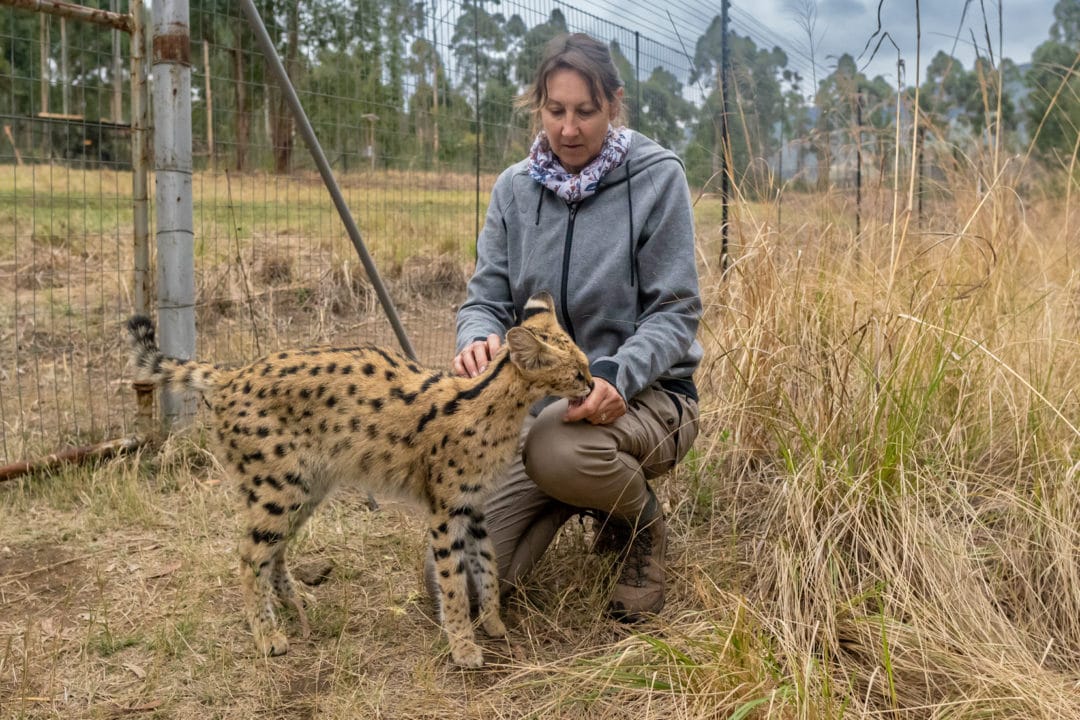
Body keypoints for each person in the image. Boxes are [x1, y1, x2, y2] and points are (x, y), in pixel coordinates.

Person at [446, 32, 702, 622]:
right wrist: (475, 338)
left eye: (585, 111)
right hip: (540, 414)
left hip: (648, 395)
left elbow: (676, 310)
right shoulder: (513, 188)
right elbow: (483, 298)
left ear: (613, 104)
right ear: (538, 106)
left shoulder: (658, 176)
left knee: (560, 446)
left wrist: (617, 373)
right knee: (455, 592)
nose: (569, 128)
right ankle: (577, 490)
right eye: (556, 111)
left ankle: (639, 527)